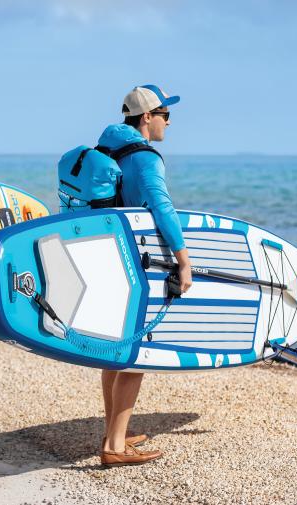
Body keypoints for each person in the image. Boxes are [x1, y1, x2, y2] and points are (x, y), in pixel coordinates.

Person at [96, 84, 193, 466]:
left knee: (114, 351)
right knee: (136, 353)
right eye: (165, 115)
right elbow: (161, 207)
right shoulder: (146, 158)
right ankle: (115, 448)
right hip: (136, 259)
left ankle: (114, 433)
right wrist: (183, 260)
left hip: (106, 253)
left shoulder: (106, 147)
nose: (169, 122)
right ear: (147, 117)